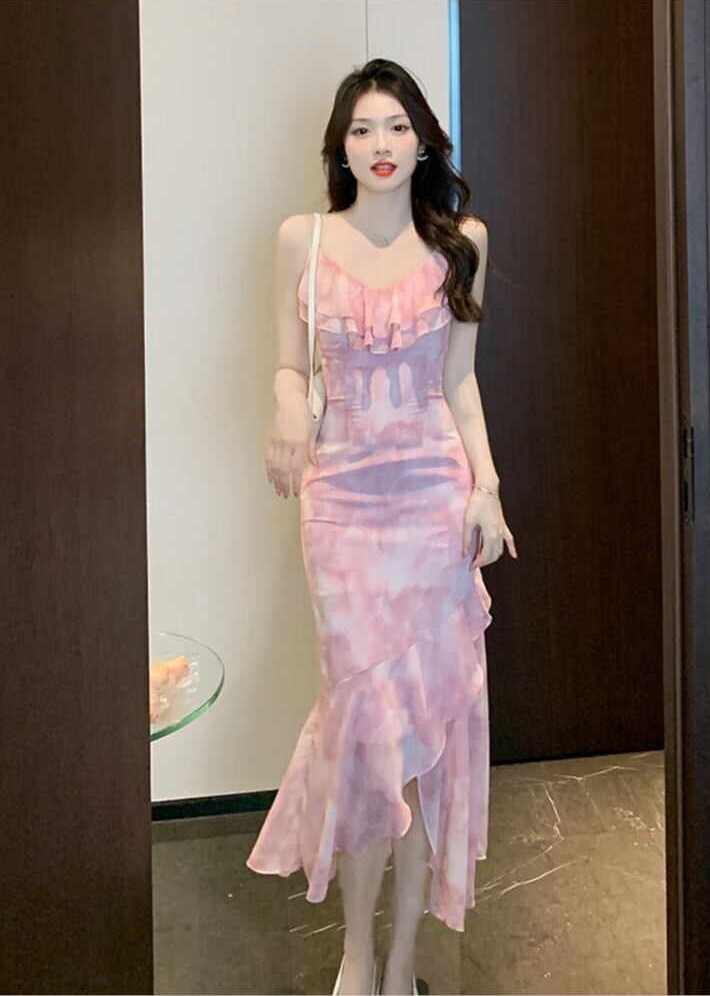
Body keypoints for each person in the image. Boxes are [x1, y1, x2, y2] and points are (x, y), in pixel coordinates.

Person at [247, 58, 517, 996]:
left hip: (432, 499)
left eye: (397, 126)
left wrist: (487, 487)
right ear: (342, 147)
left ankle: (398, 966)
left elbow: (459, 384)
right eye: (362, 129)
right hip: (343, 508)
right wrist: (289, 404)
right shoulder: (304, 239)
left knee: (419, 743)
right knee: (366, 738)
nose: (381, 145)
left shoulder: (462, 243)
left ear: (423, 140)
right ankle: (354, 956)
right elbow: (290, 366)